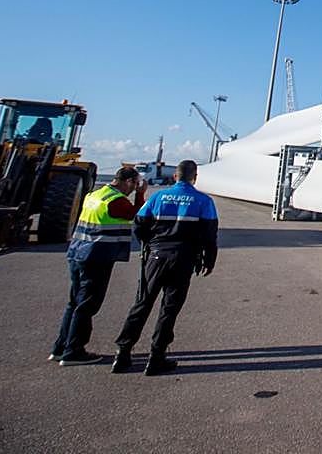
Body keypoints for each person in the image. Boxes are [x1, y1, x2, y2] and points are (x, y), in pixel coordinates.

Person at [112, 159, 218, 375]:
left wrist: (151, 244)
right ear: (195, 178)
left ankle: (122, 354)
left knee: (142, 303)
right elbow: (209, 234)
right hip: (184, 258)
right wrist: (209, 260)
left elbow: (139, 224)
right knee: (169, 308)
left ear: (175, 177)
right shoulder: (204, 201)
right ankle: (156, 356)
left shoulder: (158, 196)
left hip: (157, 256)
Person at [51, 166, 146, 366]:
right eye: (134, 184)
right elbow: (137, 215)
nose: (134, 188)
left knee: (74, 302)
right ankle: (74, 351)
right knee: (86, 305)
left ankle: (60, 347)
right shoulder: (116, 201)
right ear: (129, 182)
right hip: (96, 257)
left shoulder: (94, 195)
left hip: (77, 253)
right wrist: (140, 195)